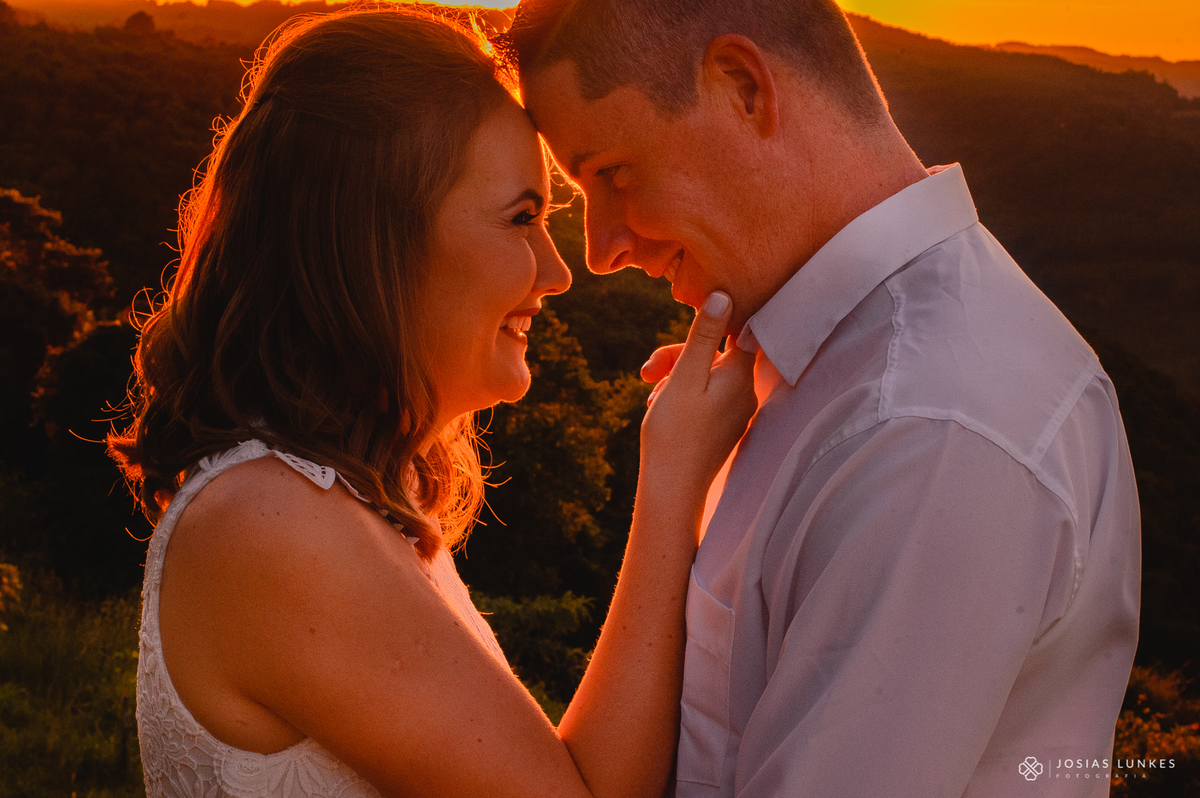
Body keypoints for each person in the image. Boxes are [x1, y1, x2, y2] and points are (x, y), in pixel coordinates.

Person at [108, 8, 756, 798]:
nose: (558, 273)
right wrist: (672, 483)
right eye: (523, 218)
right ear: (373, 241)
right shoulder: (272, 529)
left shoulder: (354, 502)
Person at [503, 0, 1141, 795]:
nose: (599, 250)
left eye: (613, 174)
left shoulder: (924, 431)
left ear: (743, 87)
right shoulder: (807, 377)